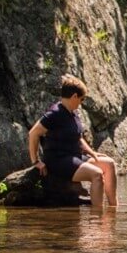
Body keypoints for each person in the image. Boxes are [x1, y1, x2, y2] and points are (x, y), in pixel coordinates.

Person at [27, 74, 118, 207]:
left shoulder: (73, 113)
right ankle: (98, 220)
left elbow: (78, 137)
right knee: (97, 175)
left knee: (109, 164)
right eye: (81, 99)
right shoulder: (55, 113)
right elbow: (33, 133)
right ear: (74, 96)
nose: (81, 103)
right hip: (58, 160)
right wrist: (36, 161)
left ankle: (113, 209)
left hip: (75, 156)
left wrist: (92, 153)